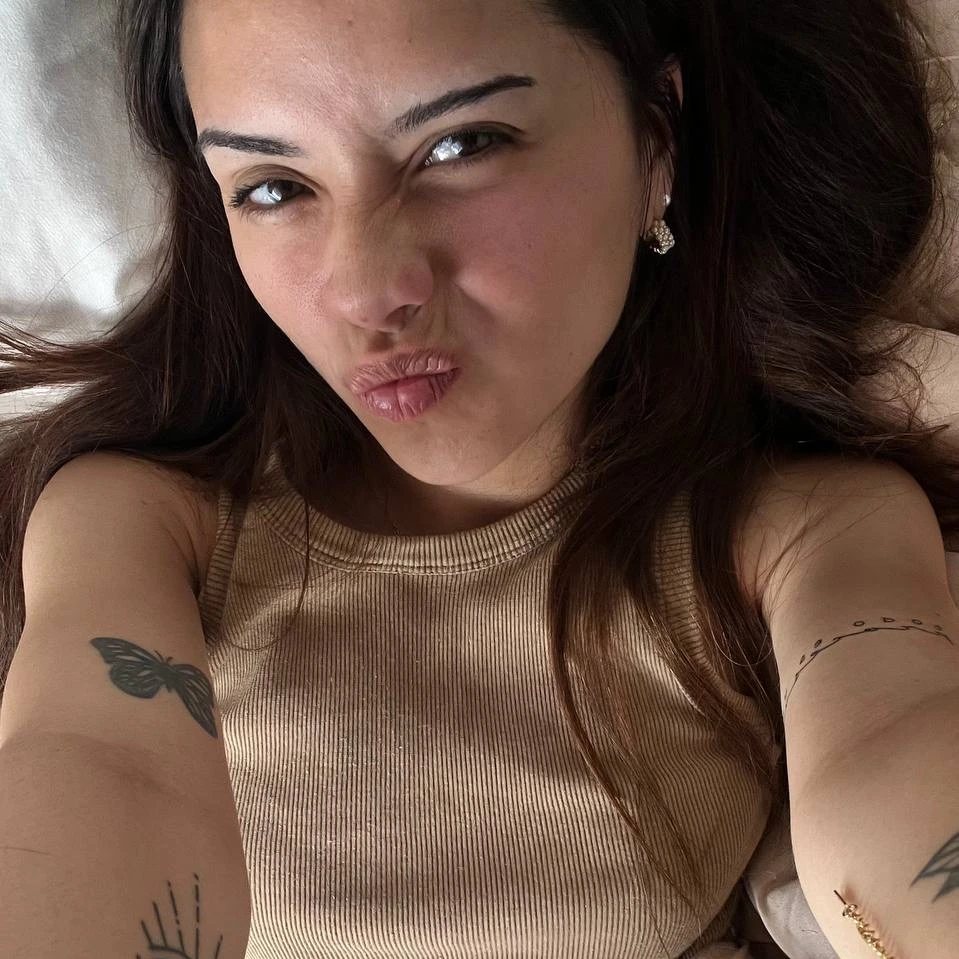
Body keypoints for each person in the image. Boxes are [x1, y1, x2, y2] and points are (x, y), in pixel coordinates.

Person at [1, 0, 958, 956]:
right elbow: (103, 770)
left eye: (461, 145)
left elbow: (898, 756)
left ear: (655, 138)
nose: (367, 291)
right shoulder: (144, 528)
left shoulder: (806, 535)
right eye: (273, 188)